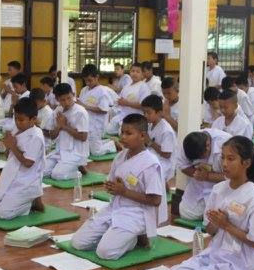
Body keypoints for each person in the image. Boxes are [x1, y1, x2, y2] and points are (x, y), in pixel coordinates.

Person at [167, 136, 254, 270]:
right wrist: (216, 222)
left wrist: (227, 225)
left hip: (239, 263)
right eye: (222, 157)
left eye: (231, 159)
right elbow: (210, 230)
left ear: (246, 163)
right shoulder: (219, 189)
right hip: (216, 253)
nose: (224, 164)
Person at [72, 114, 167, 259]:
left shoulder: (150, 163)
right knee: (78, 243)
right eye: (122, 132)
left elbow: (155, 200)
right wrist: (111, 187)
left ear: (142, 136)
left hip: (137, 213)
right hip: (115, 207)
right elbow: (114, 184)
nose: (123, 137)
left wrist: (124, 191)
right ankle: (117, 235)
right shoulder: (120, 156)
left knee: (105, 252)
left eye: (128, 133)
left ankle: (133, 239)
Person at [0, 98, 46, 218]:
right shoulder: (17, 129)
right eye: (15, 118)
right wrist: (8, 145)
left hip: (26, 182)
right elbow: (9, 154)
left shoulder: (36, 136)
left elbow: (28, 163)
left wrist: (12, 146)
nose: (17, 122)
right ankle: (24, 201)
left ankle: (28, 205)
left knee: (3, 213)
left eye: (21, 120)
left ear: (33, 119)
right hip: (10, 176)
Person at [175, 128, 231, 220]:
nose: (201, 159)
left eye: (202, 156)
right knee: (186, 213)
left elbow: (231, 177)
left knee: (214, 219)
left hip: (222, 187)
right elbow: (183, 166)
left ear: (208, 145)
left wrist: (207, 176)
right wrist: (197, 174)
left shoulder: (226, 144)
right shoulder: (188, 144)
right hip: (198, 182)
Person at [43, 82, 90, 180]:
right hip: (60, 151)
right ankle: (68, 167)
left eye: (69, 98)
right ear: (57, 99)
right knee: (41, 172)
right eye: (63, 100)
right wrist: (59, 126)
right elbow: (52, 136)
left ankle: (78, 169)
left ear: (73, 94)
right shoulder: (58, 111)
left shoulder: (80, 112)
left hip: (76, 153)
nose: (67, 102)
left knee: (56, 175)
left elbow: (83, 137)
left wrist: (64, 126)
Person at [77, 64, 116, 156]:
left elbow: (104, 110)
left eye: (90, 80)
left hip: (96, 125)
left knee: (96, 152)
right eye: (85, 80)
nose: (88, 83)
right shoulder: (84, 90)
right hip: (85, 123)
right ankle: (106, 142)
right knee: (86, 150)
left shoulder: (102, 91)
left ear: (97, 77)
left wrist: (85, 106)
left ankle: (112, 144)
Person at [141, 94, 176, 184]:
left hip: (163, 163)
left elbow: (167, 154)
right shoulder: (149, 125)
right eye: (144, 112)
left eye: (148, 113)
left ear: (159, 112)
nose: (145, 115)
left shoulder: (166, 130)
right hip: (150, 158)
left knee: (145, 176)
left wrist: (149, 142)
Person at [109, 62, 148, 133]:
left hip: (136, 120)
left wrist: (127, 103)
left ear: (142, 74)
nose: (134, 73)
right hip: (122, 117)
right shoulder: (126, 86)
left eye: (137, 72)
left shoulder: (144, 87)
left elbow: (145, 106)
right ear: (130, 72)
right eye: (133, 71)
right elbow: (120, 100)